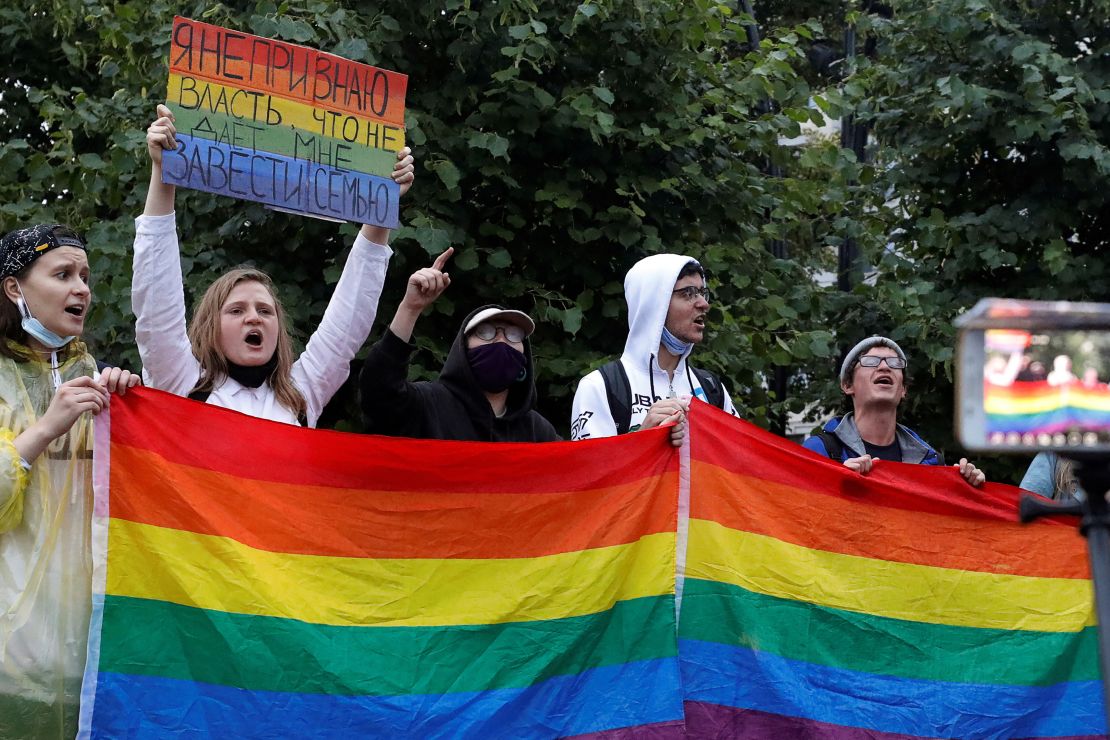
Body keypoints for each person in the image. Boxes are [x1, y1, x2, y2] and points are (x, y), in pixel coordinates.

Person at [134, 104, 414, 426]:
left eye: (265, 311)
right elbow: (157, 306)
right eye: (236, 310)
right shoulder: (182, 385)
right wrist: (163, 171)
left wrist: (381, 200)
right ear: (210, 326)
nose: (254, 317)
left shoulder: (300, 396)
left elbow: (348, 323)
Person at [0, 224, 139, 738]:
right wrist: (44, 429)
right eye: (62, 274)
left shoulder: (89, 373)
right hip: (13, 649)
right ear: (15, 288)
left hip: (88, 648)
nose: (82, 287)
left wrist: (132, 414)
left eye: (85, 275)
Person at [359, 248, 559, 442]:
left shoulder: (538, 432)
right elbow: (379, 392)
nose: (501, 340)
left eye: (514, 334)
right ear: (462, 350)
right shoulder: (429, 407)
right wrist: (410, 309)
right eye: (485, 332)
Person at [570, 253, 736, 446]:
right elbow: (593, 474)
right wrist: (642, 439)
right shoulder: (600, 387)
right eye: (688, 293)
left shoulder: (712, 388)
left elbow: (740, 467)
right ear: (655, 303)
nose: (704, 304)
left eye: (702, 292)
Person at [803, 335, 986, 486]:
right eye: (871, 361)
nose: (884, 367)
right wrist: (836, 483)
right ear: (847, 385)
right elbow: (794, 515)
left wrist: (971, 492)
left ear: (903, 389)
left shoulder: (931, 462)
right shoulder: (819, 451)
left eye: (894, 363)